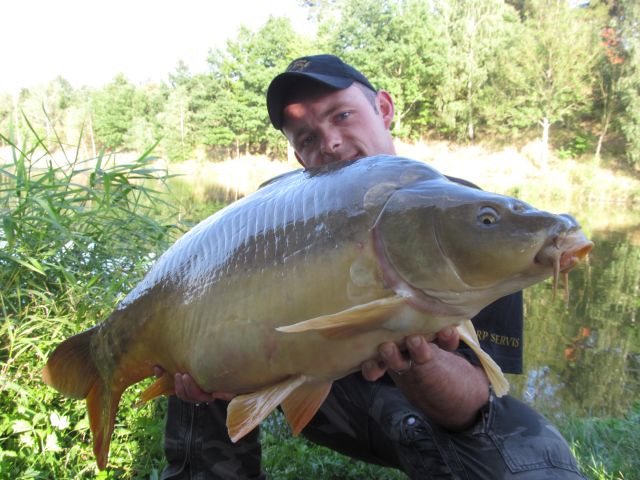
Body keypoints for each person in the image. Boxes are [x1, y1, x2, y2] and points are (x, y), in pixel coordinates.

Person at [160, 55, 585, 479]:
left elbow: (475, 400)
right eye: (307, 139)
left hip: (408, 408)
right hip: (314, 385)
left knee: (521, 448)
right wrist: (227, 363)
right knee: (199, 348)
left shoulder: (465, 218)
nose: (329, 143)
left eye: (342, 115)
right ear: (298, 157)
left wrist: (422, 363)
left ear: (384, 109)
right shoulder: (281, 216)